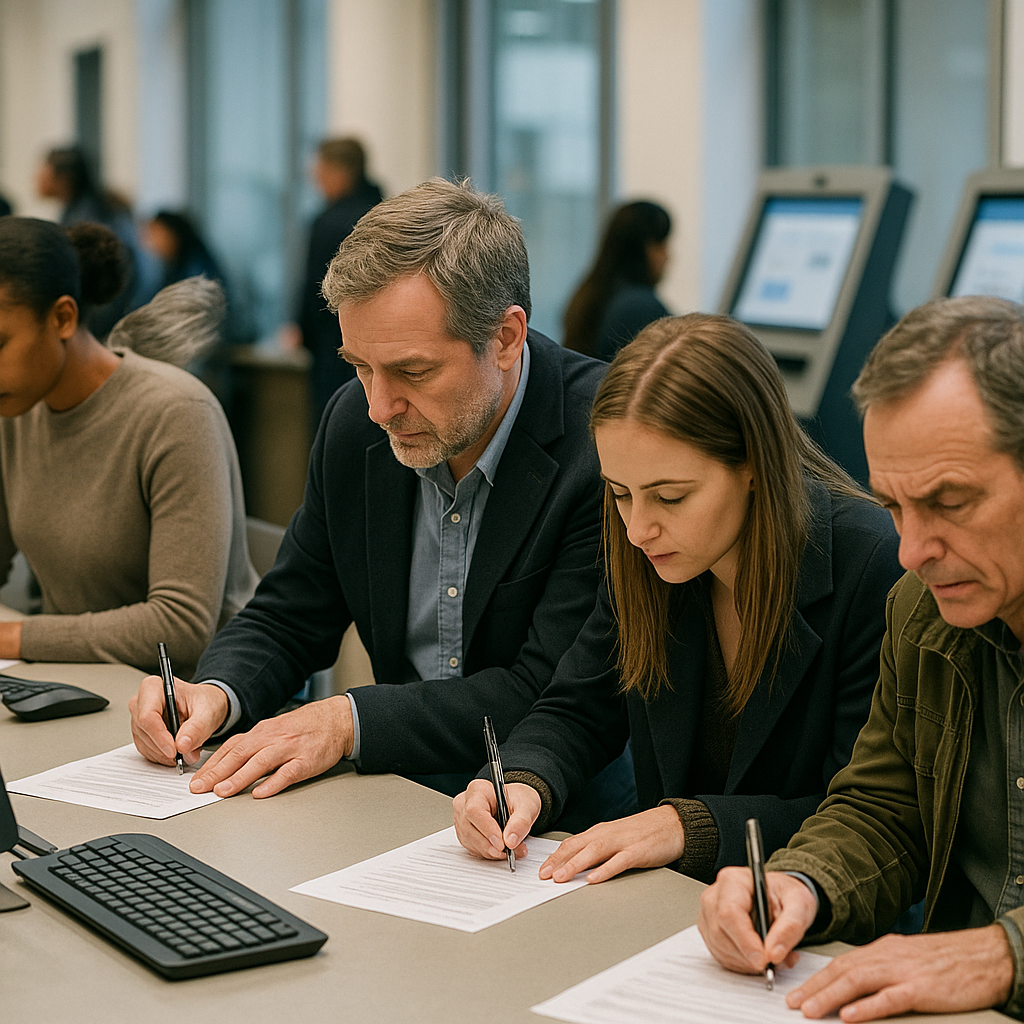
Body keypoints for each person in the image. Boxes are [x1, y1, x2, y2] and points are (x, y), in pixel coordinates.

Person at [129, 177, 631, 817]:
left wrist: (345, 720)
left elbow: (547, 689)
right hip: (400, 798)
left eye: (412, 372)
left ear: (505, 338)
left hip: (564, 818)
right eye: (360, 366)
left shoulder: (602, 443)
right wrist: (214, 693)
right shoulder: (353, 423)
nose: (379, 406)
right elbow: (292, 610)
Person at [453, 313, 901, 886]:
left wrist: (685, 826)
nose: (639, 529)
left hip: (817, 926)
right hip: (676, 912)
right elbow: (578, 707)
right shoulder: (645, 551)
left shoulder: (873, 566)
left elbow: (866, 817)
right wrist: (520, 779)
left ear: (754, 467)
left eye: (670, 497)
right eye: (620, 494)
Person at [697, 295, 1024, 1022]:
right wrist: (798, 885)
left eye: (950, 501)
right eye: (896, 508)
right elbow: (883, 806)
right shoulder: (923, 609)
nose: (913, 552)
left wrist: (1003, 954)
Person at [0, 217, 258, 678]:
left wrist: (19, 636)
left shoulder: (177, 412)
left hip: (201, 701)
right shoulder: (16, 411)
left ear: (62, 317)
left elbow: (180, 628)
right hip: (80, 681)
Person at [282, 137, 384, 428]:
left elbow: (317, 287)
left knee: (335, 425)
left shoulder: (328, 222)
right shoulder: (384, 213)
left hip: (335, 345)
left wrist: (302, 331)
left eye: (321, 174)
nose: (317, 182)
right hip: (381, 344)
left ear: (341, 172)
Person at [35, 145, 148, 338]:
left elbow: (112, 283)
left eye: (43, 172)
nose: (36, 178)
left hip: (101, 327)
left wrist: (83, 332)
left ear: (64, 179)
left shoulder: (87, 219)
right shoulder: (82, 209)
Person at [563, 200, 671, 361]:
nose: (667, 256)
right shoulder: (639, 307)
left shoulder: (591, 294)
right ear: (641, 248)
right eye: (660, 244)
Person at [142, 210, 225, 292]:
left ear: (173, 235)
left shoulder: (196, 270)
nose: (152, 244)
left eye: (157, 236)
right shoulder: (176, 265)